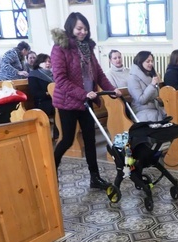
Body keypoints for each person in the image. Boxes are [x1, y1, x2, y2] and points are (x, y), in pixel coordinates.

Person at [50, 12, 121, 189]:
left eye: (85, 28)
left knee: (90, 139)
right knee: (67, 139)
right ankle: (50, 172)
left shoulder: (87, 48)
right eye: (79, 28)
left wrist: (112, 90)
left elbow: (98, 73)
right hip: (68, 102)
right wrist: (82, 93)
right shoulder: (60, 48)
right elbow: (60, 79)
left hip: (86, 100)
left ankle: (94, 178)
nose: (83, 32)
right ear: (70, 28)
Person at [126, 50, 166, 122]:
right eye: (148, 61)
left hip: (154, 108)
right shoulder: (133, 78)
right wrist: (152, 85)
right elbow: (141, 100)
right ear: (140, 62)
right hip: (141, 111)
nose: (151, 63)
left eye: (152, 61)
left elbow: (157, 95)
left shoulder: (150, 74)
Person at [28, 53, 58, 139]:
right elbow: (35, 93)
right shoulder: (34, 75)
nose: (48, 63)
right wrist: (48, 93)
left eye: (49, 61)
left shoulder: (54, 74)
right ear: (39, 63)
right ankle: (57, 134)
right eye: (45, 62)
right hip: (42, 102)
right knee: (58, 106)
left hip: (55, 100)